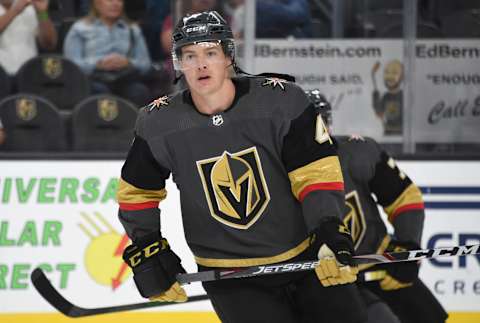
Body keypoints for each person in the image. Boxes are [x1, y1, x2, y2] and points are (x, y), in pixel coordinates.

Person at [117, 11, 366, 323]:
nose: (201, 64)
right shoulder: (159, 122)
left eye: (210, 53)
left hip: (306, 257)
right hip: (229, 273)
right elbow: (137, 193)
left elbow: (316, 174)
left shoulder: (282, 101)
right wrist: (148, 247)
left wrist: (330, 231)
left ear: (228, 56)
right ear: (178, 63)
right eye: (189, 55)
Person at [306, 90, 448, 323]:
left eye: (322, 121)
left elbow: (405, 198)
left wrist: (406, 248)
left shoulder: (357, 153)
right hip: (327, 280)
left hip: (379, 264)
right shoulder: (280, 170)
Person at [63, 0, 152, 106]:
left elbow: (146, 64)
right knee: (99, 91)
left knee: (140, 92)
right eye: (110, 0)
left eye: (119, 0)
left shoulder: (132, 29)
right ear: (96, 3)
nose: (115, 3)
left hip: (124, 79)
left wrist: (128, 62)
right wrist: (97, 64)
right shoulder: (80, 28)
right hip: (93, 79)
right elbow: (70, 66)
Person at [0, 0, 57, 76]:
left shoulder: (29, 8)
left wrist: (42, 12)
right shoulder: (18, 7)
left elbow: (49, 44)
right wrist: (14, 11)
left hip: (29, 74)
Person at [371, 60, 404, 136]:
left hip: (401, 133)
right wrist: (375, 95)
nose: (389, 76)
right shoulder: (386, 96)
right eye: (387, 72)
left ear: (402, 76)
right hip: (388, 133)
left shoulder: (404, 96)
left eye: (394, 73)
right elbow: (379, 113)